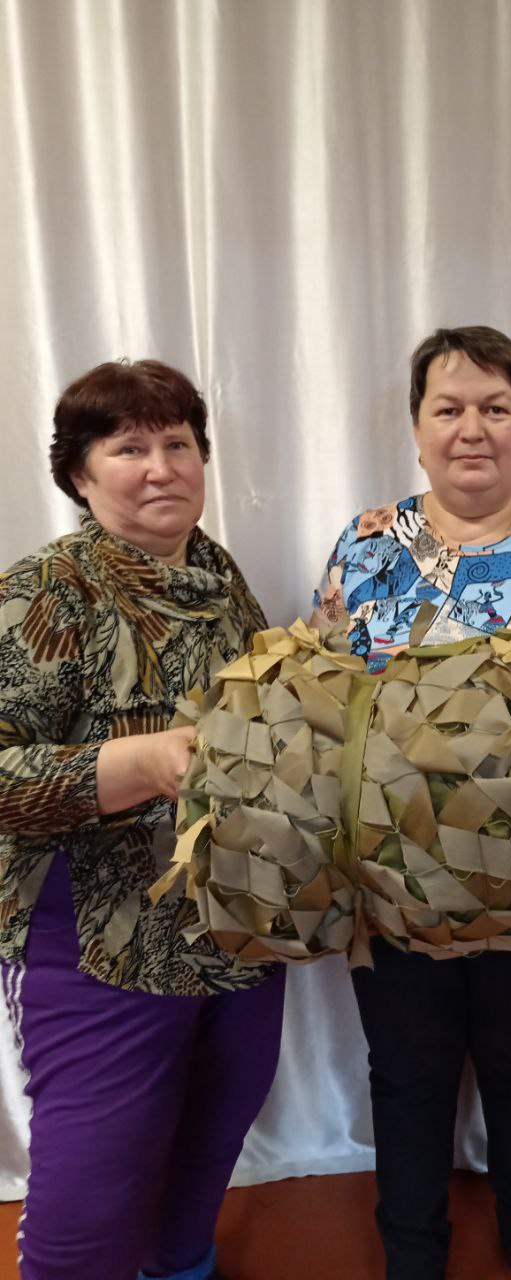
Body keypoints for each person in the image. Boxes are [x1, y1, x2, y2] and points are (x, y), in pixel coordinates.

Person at [313, 325, 511, 1280]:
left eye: (496, 408)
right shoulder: (366, 545)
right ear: (417, 429)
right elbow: (323, 696)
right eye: (448, 408)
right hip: (391, 884)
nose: (472, 429)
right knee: (406, 1069)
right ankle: (412, 1248)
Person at [0, 360, 285, 1280]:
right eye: (129, 448)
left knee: (216, 1123)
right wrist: (138, 764)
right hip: (98, 933)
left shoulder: (215, 573)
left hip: (234, 917)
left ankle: (180, 1267)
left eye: (178, 443)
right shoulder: (48, 590)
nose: (162, 467)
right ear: (78, 475)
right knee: (95, 1177)